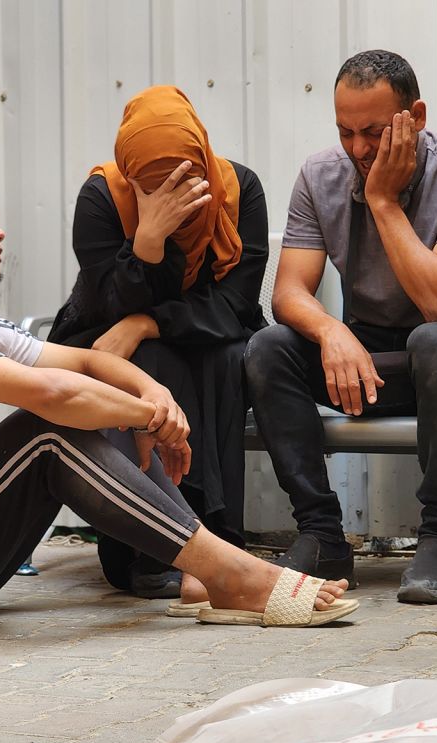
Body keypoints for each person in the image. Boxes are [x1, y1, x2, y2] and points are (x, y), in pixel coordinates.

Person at [0, 165, 356, 628]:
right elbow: (52, 392)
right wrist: (152, 418)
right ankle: (230, 572)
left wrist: (151, 390)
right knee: (49, 429)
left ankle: (205, 572)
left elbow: (87, 360)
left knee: (74, 414)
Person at [244, 49, 437, 604]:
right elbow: (289, 292)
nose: (359, 149)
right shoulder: (320, 175)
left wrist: (384, 201)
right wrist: (331, 332)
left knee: (434, 341)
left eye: (373, 132)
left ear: (417, 117)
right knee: (269, 348)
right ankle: (321, 534)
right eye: (345, 132)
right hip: (368, 355)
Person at [49, 85, 267, 599]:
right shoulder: (103, 196)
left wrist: (149, 322)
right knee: (150, 361)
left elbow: (236, 301)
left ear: (202, 157)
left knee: (223, 355)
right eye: (151, 184)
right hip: (103, 331)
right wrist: (147, 242)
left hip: (210, 332)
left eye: (185, 177)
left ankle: (215, 542)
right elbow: (106, 305)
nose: (169, 193)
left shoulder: (239, 190)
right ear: (129, 173)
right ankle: (152, 549)